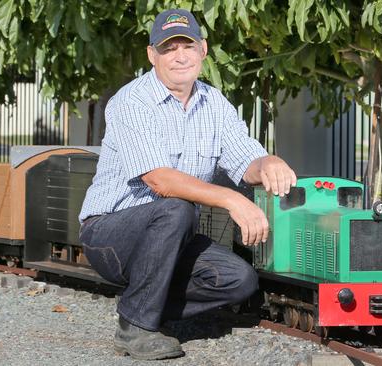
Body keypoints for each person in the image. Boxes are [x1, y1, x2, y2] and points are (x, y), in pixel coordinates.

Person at [78, 8, 296, 360]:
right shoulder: (131, 102)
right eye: (168, 48)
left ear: (203, 50)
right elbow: (159, 181)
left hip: (171, 237)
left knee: (239, 280)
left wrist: (268, 162)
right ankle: (134, 329)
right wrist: (232, 200)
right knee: (177, 209)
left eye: (187, 46)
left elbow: (245, 162)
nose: (180, 56)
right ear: (152, 55)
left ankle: (142, 306)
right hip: (109, 235)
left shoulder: (215, 104)